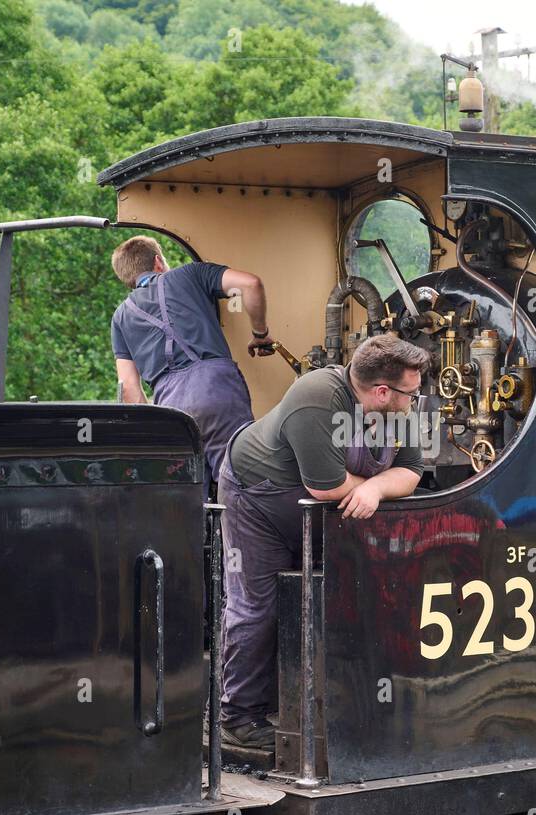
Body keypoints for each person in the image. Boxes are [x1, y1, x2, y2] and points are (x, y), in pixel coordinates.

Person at [217, 334, 432, 749]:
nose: (415, 402)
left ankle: (346, 707)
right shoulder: (317, 396)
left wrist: (374, 490)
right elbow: (327, 486)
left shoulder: (400, 410)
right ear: (383, 392)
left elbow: (412, 472)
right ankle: (239, 718)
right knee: (257, 607)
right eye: (411, 393)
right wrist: (373, 487)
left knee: (343, 594)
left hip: (325, 504)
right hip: (257, 498)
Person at [109, 236, 274, 484]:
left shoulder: (120, 317)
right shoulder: (191, 274)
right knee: (240, 485)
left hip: (170, 410)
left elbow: (130, 390)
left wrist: (154, 432)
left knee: (189, 499)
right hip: (216, 391)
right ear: (158, 262)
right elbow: (251, 284)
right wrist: (260, 334)